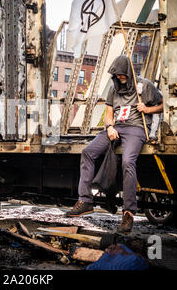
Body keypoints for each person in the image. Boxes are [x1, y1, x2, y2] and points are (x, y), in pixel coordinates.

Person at [65, 55, 163, 233]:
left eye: (122, 74)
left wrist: (147, 109)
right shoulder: (114, 88)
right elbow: (109, 113)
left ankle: (128, 213)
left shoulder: (145, 86)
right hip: (117, 127)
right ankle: (85, 200)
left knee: (127, 161)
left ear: (128, 71)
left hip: (136, 127)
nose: (119, 77)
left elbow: (163, 105)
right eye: (116, 75)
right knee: (88, 152)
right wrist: (109, 126)